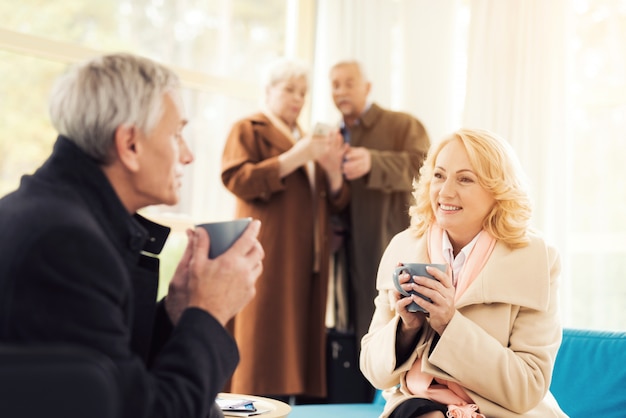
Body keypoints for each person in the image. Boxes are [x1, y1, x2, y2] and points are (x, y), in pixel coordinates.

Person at [0, 53, 265, 418]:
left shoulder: (52, 214)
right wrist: (209, 312)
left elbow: (112, 373)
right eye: (176, 135)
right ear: (130, 144)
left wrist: (178, 313)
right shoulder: (65, 245)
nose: (187, 156)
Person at [360, 128, 567, 417]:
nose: (445, 192)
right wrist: (406, 329)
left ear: (498, 190)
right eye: (439, 176)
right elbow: (374, 371)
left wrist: (449, 324)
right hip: (417, 408)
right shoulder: (404, 246)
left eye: (465, 179)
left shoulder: (535, 257)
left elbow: (527, 388)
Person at [221, 58, 349, 401]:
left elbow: (333, 199)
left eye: (303, 93)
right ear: (268, 90)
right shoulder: (249, 128)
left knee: (295, 342)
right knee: (261, 336)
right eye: (290, 90)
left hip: (307, 257)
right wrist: (297, 156)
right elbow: (237, 178)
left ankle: (286, 404)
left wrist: (332, 170)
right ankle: (249, 404)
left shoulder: (308, 139)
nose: (298, 99)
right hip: (268, 251)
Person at [328, 60, 431, 347]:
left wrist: (374, 161)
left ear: (368, 88)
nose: (341, 91)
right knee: (354, 335)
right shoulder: (331, 137)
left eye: (349, 83)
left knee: (396, 326)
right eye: (335, 85)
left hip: (390, 244)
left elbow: (425, 167)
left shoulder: (403, 125)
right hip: (346, 254)